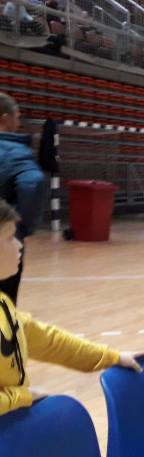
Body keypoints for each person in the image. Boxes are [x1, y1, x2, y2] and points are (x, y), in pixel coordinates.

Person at [0, 199, 144, 415]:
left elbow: (51, 342)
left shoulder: (4, 305)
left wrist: (112, 357)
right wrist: (21, 396)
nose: (19, 245)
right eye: (10, 238)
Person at [0, 93, 46, 304]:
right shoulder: (17, 153)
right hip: (2, 239)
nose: (18, 123)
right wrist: (21, 229)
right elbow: (32, 184)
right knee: (5, 306)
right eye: (17, 117)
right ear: (5, 118)